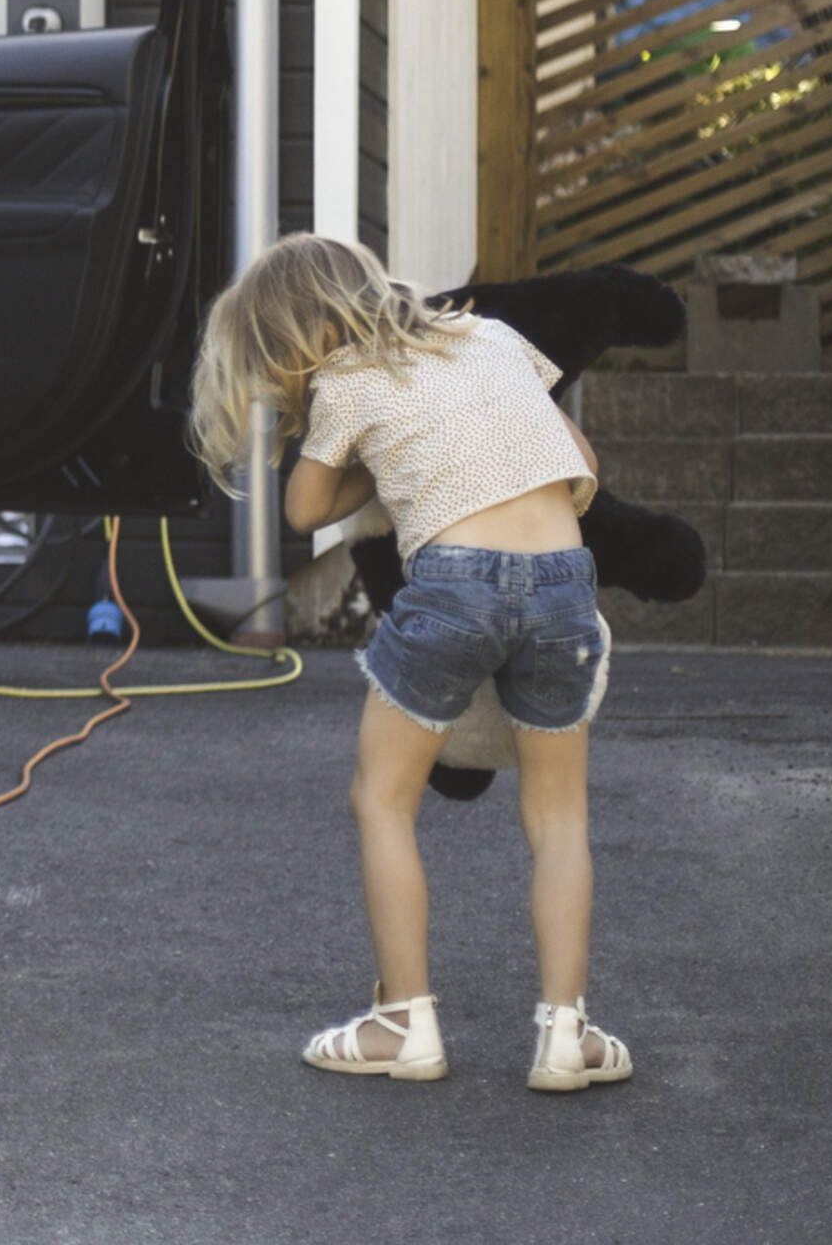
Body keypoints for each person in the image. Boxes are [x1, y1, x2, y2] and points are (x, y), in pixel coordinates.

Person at [190, 233, 636, 1094]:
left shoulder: (349, 378)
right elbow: (582, 460)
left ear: (298, 334)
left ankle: (405, 1024)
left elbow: (303, 509)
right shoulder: (490, 337)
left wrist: (380, 467)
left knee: (383, 800)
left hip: (454, 587)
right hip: (564, 590)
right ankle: (564, 1036)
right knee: (559, 819)